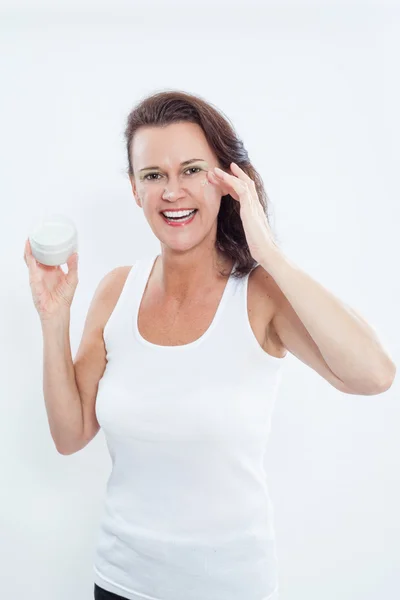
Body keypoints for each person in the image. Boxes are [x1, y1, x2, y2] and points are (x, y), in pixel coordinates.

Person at [24, 90, 396, 600]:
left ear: (226, 181)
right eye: (153, 175)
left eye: (192, 170)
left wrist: (269, 253)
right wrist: (54, 318)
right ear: (135, 189)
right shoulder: (116, 290)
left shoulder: (261, 294)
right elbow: (70, 434)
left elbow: (374, 374)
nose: (172, 191)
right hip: (119, 582)